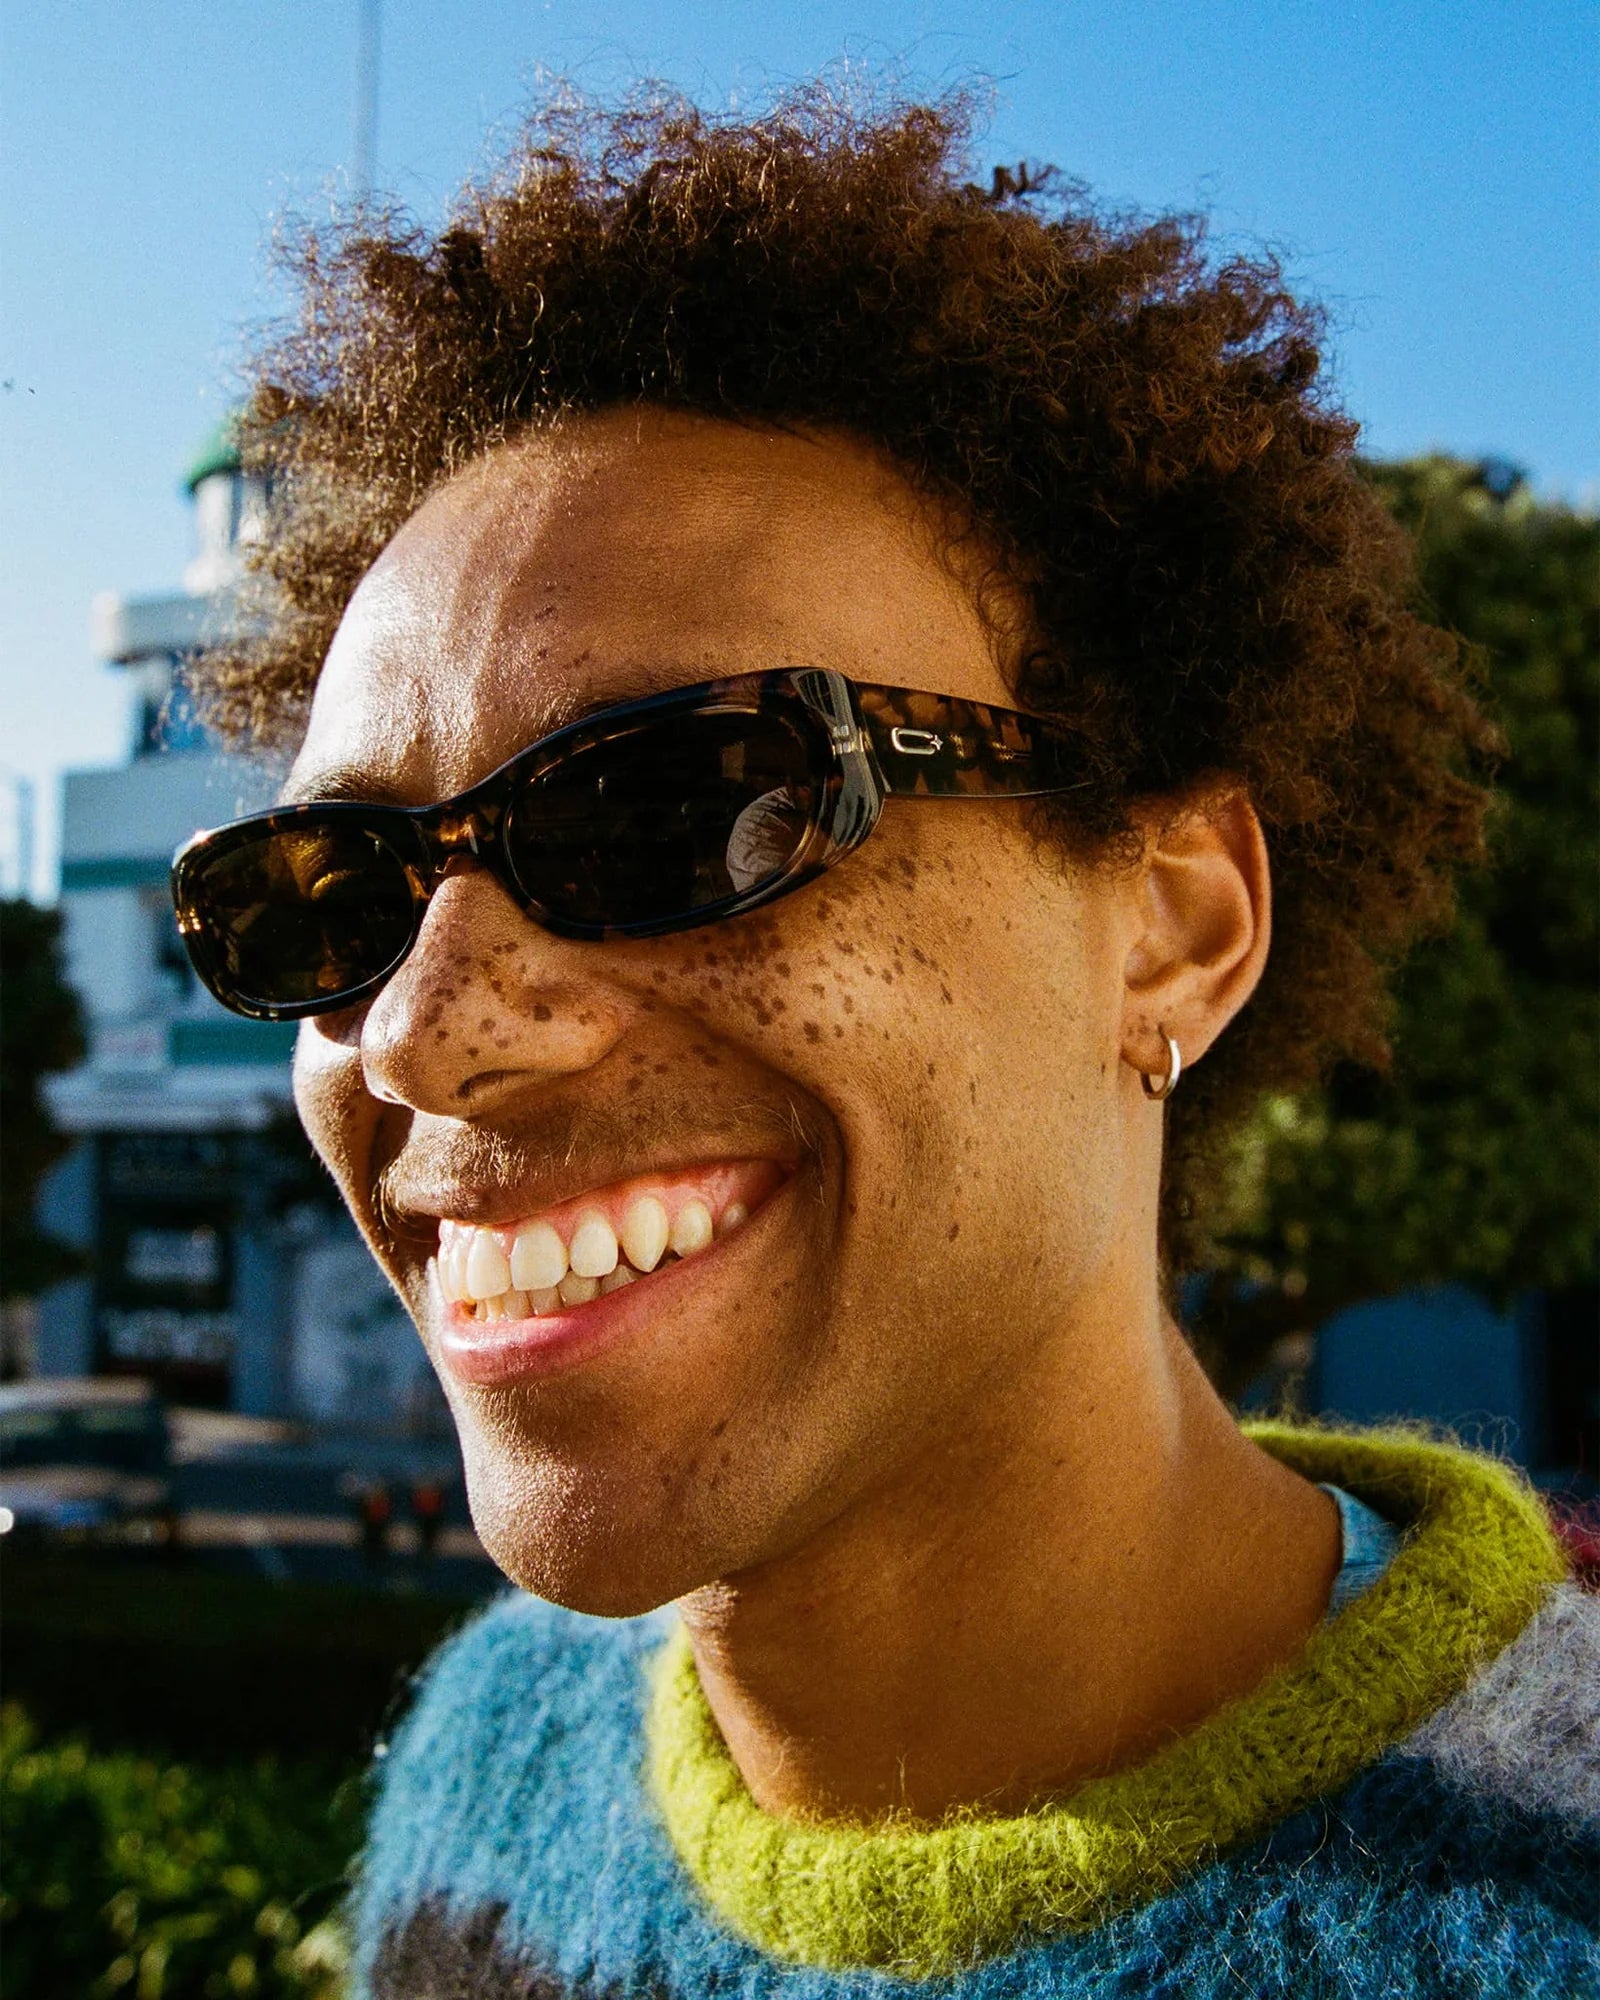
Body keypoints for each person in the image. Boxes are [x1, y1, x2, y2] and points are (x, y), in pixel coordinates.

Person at [173, 88, 1597, 1998]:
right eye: (325, 893)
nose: (422, 1028)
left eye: (691, 807)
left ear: (1178, 925)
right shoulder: (492, 1762)